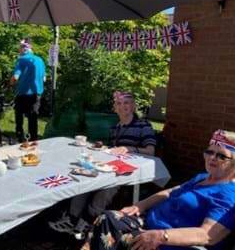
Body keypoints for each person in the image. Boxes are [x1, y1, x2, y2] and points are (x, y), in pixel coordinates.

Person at [86, 129, 235, 250]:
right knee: (108, 218)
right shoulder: (203, 177)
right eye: (209, 152)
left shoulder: (231, 194)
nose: (212, 158)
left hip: (169, 242)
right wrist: (140, 205)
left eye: (221, 156)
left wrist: (161, 236)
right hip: (150, 224)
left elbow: (209, 235)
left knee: (113, 234)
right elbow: (170, 192)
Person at [49, 91, 156, 240]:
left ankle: (85, 225)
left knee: (106, 188)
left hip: (129, 171)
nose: (123, 106)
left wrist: (129, 148)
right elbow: (114, 150)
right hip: (112, 166)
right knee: (86, 176)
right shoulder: (115, 127)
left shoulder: (143, 125)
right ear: (115, 108)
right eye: (119, 103)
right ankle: (71, 219)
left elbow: (151, 151)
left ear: (133, 107)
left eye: (126, 103)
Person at [10, 38, 46, 142]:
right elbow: (44, 78)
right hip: (37, 93)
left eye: (19, 47)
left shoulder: (21, 60)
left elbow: (15, 77)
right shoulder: (40, 60)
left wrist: (11, 83)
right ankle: (33, 139)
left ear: (22, 48)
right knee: (33, 117)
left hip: (23, 93)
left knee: (19, 116)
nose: (19, 50)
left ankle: (20, 137)